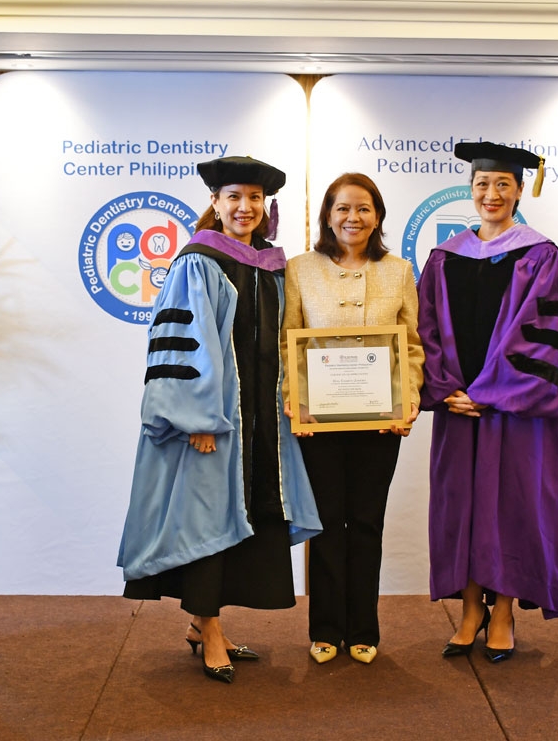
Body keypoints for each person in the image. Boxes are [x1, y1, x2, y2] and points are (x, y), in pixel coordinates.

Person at [117, 156, 322, 685]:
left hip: (262, 426)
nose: (245, 207)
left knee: (245, 518)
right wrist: (199, 419)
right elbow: (185, 345)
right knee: (208, 521)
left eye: (254, 198)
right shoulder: (198, 262)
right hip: (215, 424)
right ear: (215, 202)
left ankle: (205, 624)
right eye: (234, 197)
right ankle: (207, 628)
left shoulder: (270, 266)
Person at [418, 141, 558, 663]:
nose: (492, 193)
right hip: (459, 409)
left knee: (511, 506)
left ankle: (503, 612)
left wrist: (489, 393)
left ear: (519, 191)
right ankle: (470, 611)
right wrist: (445, 388)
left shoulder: (541, 256)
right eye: (483, 184)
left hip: (516, 412)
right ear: (471, 189)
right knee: (460, 505)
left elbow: (542, 336)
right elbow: (426, 329)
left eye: (503, 184)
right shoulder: (445, 258)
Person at [281, 173, 423, 665]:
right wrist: (293, 401)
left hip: (381, 422)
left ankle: (363, 629)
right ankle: (324, 629)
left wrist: (408, 401)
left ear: (377, 216)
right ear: (327, 215)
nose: (353, 218)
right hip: (317, 422)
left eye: (363, 208)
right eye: (342, 208)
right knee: (324, 524)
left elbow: (412, 346)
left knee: (366, 523)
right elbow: (287, 342)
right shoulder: (299, 269)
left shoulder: (399, 272)